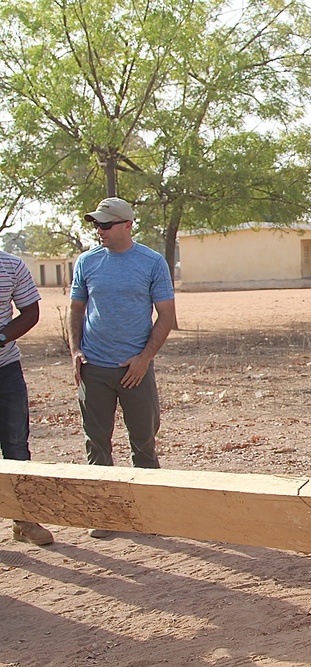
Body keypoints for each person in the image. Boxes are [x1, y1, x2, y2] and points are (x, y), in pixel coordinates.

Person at [70, 197, 176, 539]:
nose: (99, 231)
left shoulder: (151, 262)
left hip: (136, 370)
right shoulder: (87, 262)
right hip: (94, 368)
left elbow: (166, 316)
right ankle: (105, 513)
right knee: (97, 443)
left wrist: (144, 359)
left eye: (106, 224)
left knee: (143, 442)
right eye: (96, 225)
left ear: (128, 225)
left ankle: (150, 513)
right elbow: (76, 309)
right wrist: (75, 351)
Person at [1, 251, 54, 546]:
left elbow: (30, 313)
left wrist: (1, 337)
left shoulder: (11, 265)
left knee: (16, 447)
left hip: (6, 370)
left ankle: (24, 522)